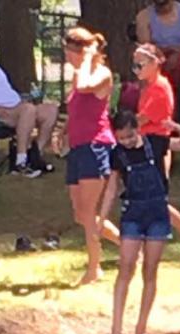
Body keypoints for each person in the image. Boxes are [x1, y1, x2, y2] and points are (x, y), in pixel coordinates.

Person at [99, 111, 180, 334]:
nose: (126, 141)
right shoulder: (117, 154)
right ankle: (116, 330)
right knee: (125, 267)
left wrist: (177, 127)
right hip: (132, 213)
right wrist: (102, 216)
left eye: (130, 136)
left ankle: (141, 329)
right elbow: (112, 188)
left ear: (138, 129)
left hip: (157, 214)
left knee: (150, 270)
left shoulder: (155, 143)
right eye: (121, 138)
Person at [58, 27, 121, 285]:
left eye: (69, 52)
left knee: (88, 210)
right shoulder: (78, 74)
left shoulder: (101, 74)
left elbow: (85, 88)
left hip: (96, 146)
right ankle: (128, 244)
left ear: (81, 52)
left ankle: (94, 268)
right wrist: (63, 131)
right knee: (80, 214)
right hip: (78, 146)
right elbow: (76, 108)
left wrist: (86, 59)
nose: (67, 57)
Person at [132, 43, 180, 260]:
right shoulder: (148, 87)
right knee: (141, 200)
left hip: (155, 147)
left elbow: (142, 120)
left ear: (155, 63)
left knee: (156, 202)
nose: (136, 69)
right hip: (146, 145)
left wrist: (118, 128)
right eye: (134, 64)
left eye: (140, 64)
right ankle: (141, 244)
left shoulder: (159, 88)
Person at [0, 28, 59, 177]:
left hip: (17, 107)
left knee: (50, 109)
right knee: (28, 109)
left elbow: (6, 91)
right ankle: (20, 163)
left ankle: (35, 156)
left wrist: (23, 98)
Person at [135, 0, 180, 120]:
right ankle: (146, 110)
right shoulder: (144, 17)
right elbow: (145, 47)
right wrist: (162, 57)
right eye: (158, 4)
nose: (163, 7)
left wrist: (177, 53)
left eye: (165, 3)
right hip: (157, 58)